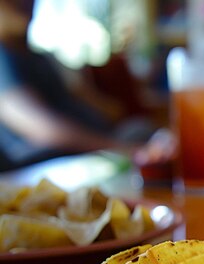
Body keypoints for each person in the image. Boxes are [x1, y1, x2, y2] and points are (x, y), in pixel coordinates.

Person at [0, 0, 145, 171]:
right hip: (55, 161)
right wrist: (115, 147)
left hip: (89, 149)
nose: (26, 3)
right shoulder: (3, 58)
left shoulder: (40, 57)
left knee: (140, 130)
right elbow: (45, 131)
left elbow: (110, 109)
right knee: (140, 135)